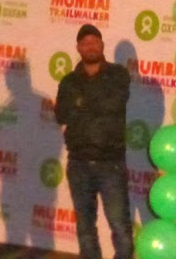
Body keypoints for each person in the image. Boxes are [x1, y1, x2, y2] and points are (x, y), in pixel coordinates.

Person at [54, 24, 134, 259]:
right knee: (85, 227)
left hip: (111, 163)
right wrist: (90, 105)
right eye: (85, 43)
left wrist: (80, 104)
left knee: (120, 226)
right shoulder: (69, 81)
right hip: (78, 163)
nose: (90, 47)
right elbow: (61, 115)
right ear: (78, 48)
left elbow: (114, 105)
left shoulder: (118, 74)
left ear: (102, 45)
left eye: (94, 42)